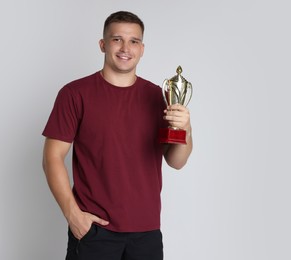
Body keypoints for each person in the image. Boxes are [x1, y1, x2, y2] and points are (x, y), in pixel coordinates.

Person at [42, 11, 192, 260]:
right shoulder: (74, 93)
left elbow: (176, 161)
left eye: (134, 41)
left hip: (147, 232)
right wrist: (73, 215)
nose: (126, 48)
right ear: (103, 44)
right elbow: (52, 157)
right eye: (117, 39)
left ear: (142, 49)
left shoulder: (157, 96)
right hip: (95, 231)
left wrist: (185, 127)